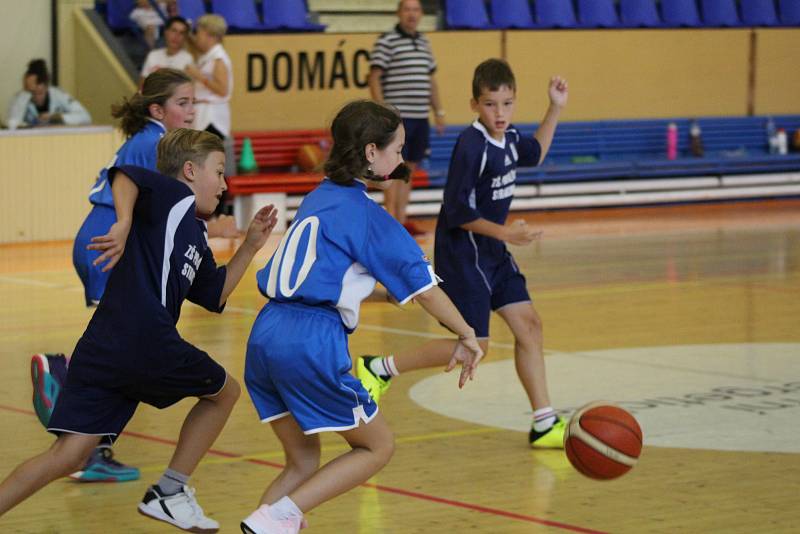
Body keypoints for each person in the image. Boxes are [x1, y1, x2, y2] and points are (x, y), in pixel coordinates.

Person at [1, 128, 279, 533]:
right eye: (218, 172)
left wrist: (251, 246)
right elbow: (124, 173)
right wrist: (124, 222)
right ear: (189, 170)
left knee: (70, 456)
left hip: (106, 343)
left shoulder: (194, 234)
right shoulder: (172, 196)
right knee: (225, 394)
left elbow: (214, 295)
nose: (223, 185)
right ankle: (170, 491)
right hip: (141, 334)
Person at [239, 100, 483, 534]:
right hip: (309, 343)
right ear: (372, 152)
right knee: (377, 446)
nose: (401, 158)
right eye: (398, 149)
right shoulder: (368, 215)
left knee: (302, 461)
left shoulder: (319, 196)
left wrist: (371, 291)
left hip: (265, 334)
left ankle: (273, 518)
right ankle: (278, 516)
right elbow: (426, 290)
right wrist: (466, 333)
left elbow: (322, 275)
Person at [356, 59, 570, 449]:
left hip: (492, 249)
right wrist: (506, 231)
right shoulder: (471, 146)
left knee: (530, 326)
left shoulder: (508, 138)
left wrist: (554, 106)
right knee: (477, 345)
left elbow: (536, 152)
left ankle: (544, 421)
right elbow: (457, 212)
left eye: (507, 104)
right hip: (463, 252)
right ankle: (380, 368)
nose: (500, 113)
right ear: (475, 104)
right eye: (491, 104)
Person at [30, 68, 198, 485]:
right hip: (108, 237)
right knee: (121, 344)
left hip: (102, 232)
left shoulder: (146, 137)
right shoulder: (154, 142)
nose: (192, 112)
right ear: (158, 108)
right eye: (183, 103)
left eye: (193, 103)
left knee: (120, 343)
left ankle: (95, 451)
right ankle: (60, 376)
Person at [368, 0, 445, 236]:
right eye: (407, 9)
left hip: (420, 117)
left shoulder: (424, 42)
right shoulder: (387, 41)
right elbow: (374, 77)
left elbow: (430, 81)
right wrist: (383, 111)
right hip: (397, 119)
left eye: (416, 9)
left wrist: (438, 111)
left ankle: (401, 220)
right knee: (393, 169)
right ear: (399, 13)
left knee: (409, 170)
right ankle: (391, 220)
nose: (412, 14)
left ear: (421, 14)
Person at [185, 14, 233, 141]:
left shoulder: (219, 59)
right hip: (204, 115)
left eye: (199, 33)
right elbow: (193, 44)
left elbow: (223, 90)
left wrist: (199, 76)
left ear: (210, 35)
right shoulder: (209, 56)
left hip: (212, 118)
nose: (197, 37)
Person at [6, 59, 91, 128]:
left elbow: (85, 117)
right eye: (31, 92)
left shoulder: (59, 94)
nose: (35, 97)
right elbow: (12, 124)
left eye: (39, 92)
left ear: (46, 86)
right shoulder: (21, 97)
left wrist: (57, 117)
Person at [139, 16, 194, 86]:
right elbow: (141, 86)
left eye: (181, 33)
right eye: (174, 30)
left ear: (185, 37)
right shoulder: (153, 55)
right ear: (166, 32)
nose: (176, 36)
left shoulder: (189, 59)